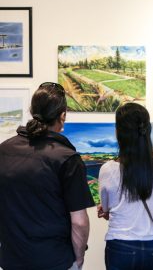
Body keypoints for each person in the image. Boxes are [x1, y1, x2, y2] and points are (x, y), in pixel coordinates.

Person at [0, 82, 95, 270]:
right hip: (54, 261)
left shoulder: (4, 150)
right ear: (63, 115)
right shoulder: (67, 158)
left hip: (12, 259)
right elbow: (79, 222)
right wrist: (79, 259)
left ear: (32, 111)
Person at [98, 102, 153, 270]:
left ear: (119, 133)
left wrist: (105, 211)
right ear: (147, 130)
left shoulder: (108, 169)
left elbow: (106, 209)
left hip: (122, 247)